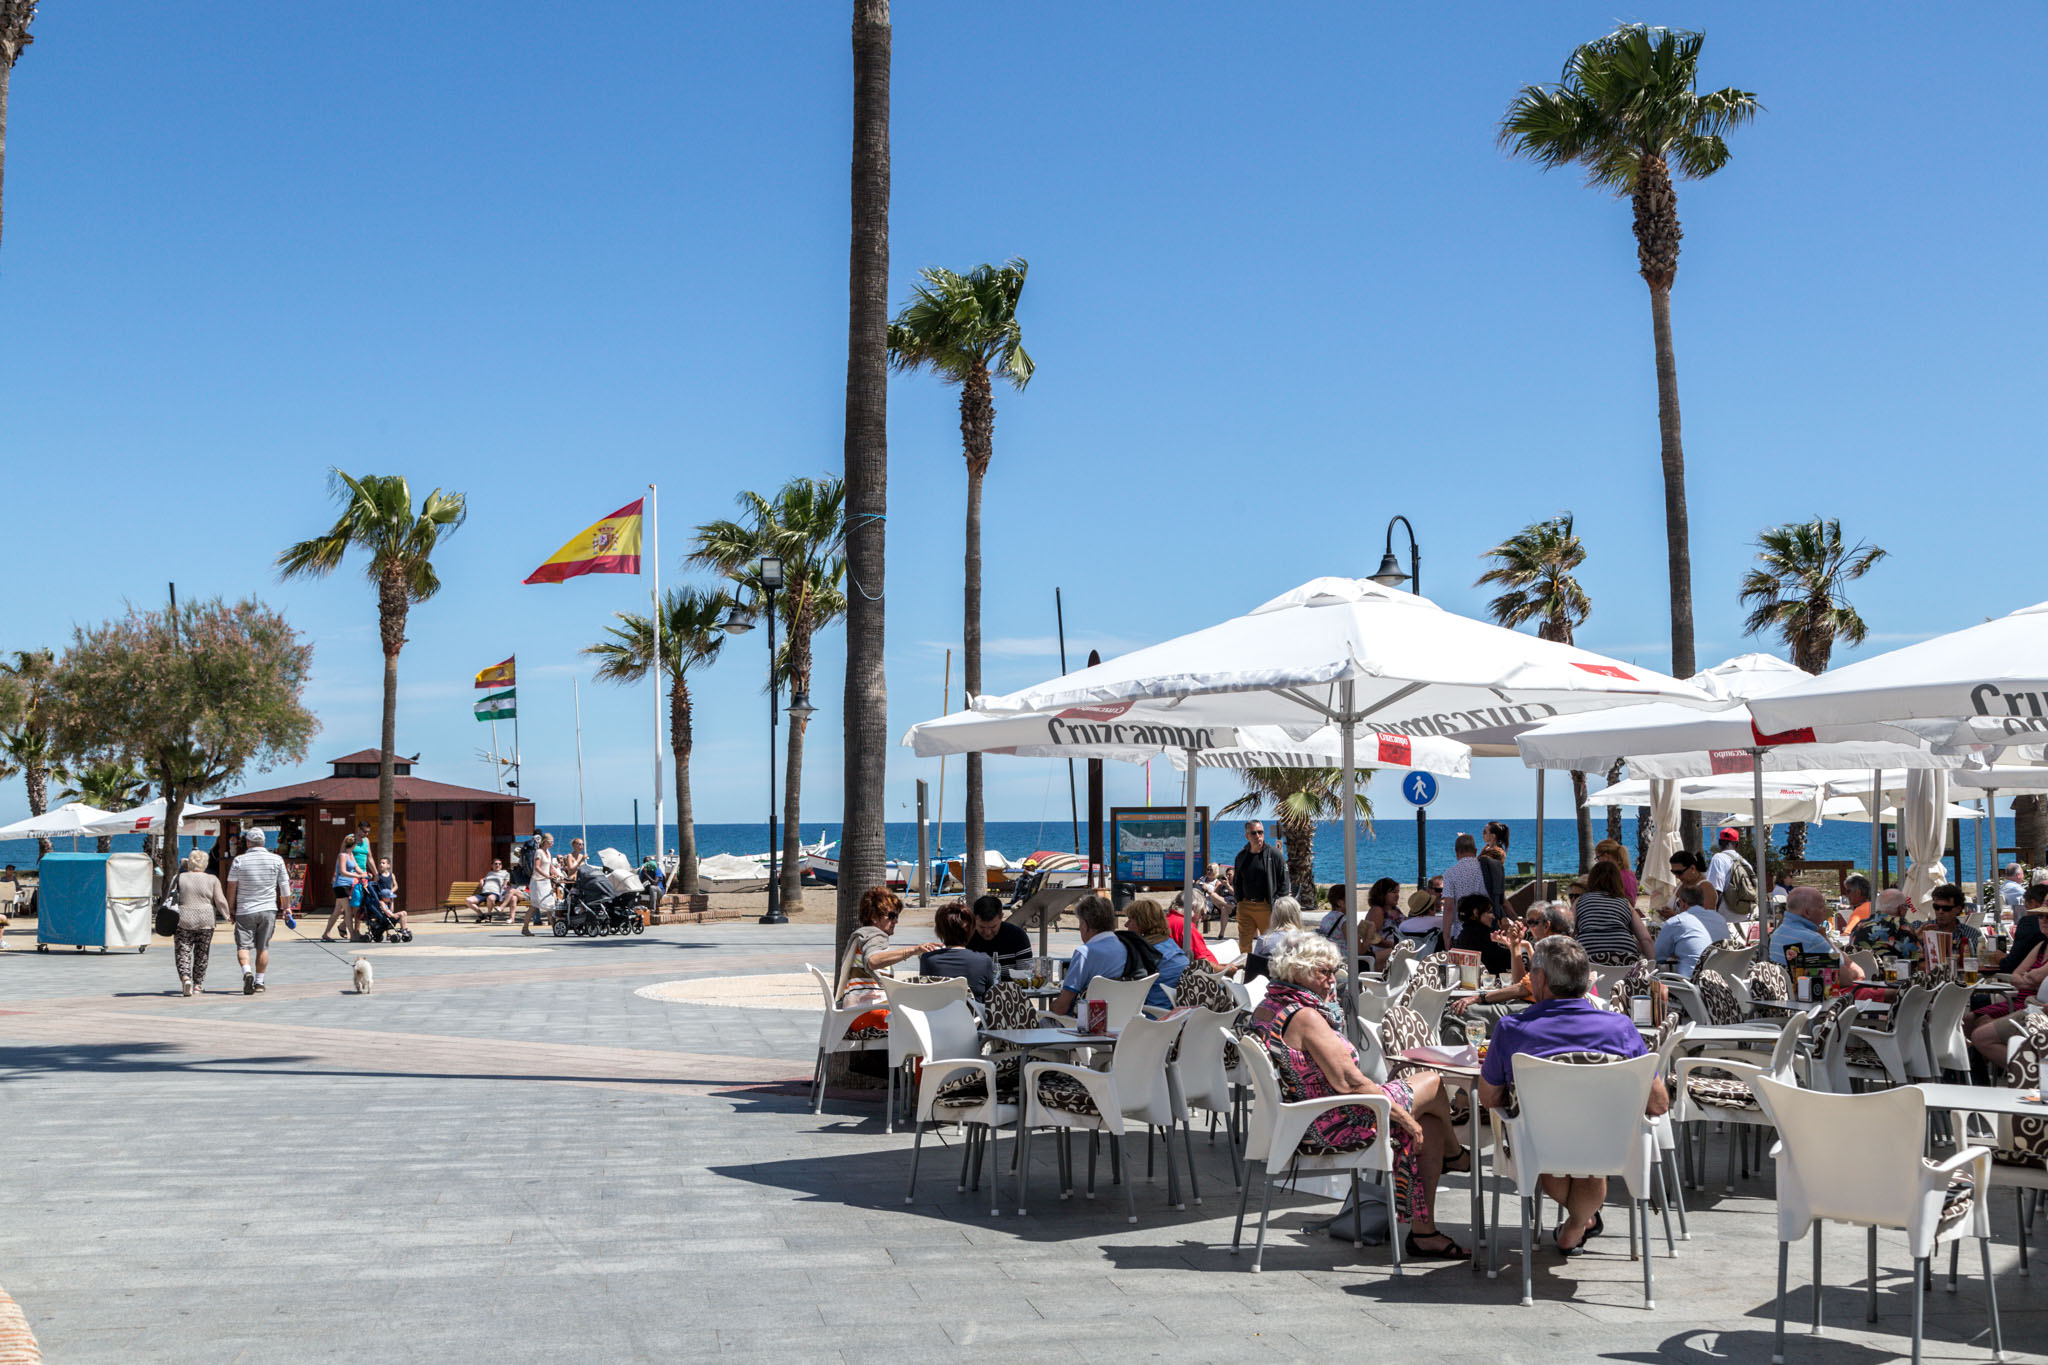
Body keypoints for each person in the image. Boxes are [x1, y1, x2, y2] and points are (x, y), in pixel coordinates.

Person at [1251, 929, 1470, 1259]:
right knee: (1434, 1083)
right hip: (1334, 1121)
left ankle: (1425, 1234)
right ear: (1296, 970)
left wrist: (1410, 1118)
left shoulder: (1270, 1005)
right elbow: (1350, 1084)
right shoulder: (1306, 1016)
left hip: (1305, 1117)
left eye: (1332, 971)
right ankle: (1458, 1156)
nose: (1330, 980)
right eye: (1323, 972)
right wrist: (1405, 1119)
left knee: (1433, 1125)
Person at [1477, 935, 1668, 1255]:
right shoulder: (1620, 1029)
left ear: (1538, 979)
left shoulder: (1512, 1029)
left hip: (1541, 1146)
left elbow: (1489, 1098)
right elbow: (1659, 1103)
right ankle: (1578, 1225)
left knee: (1551, 1143)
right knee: (1588, 1157)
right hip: (1609, 1146)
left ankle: (1579, 1223)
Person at [1452, 901, 1572, 1024]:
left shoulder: (1555, 949)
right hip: (1536, 1007)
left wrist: (1479, 997)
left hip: (1538, 1011)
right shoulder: (1567, 948)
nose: (1530, 928)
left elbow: (1522, 987)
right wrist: (1515, 945)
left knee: (1457, 1015)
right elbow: (1523, 983)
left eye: (1534, 923)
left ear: (1547, 925)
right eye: (1528, 922)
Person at [837, 886, 940, 1007]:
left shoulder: (864, 935)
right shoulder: (875, 935)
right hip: (869, 1010)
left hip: (856, 1008)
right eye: (891, 916)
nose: (896, 921)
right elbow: (873, 961)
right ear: (874, 917)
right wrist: (913, 950)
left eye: (896, 916)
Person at [225, 828, 293, 996]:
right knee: (263, 947)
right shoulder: (276, 859)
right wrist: (287, 908)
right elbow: (285, 886)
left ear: (248, 843)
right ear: (264, 842)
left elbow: (231, 886)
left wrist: (230, 908)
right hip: (268, 909)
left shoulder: (239, 861)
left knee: (243, 946)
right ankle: (260, 981)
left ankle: (246, 971)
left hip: (245, 909)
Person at [1050, 895, 1128, 1018]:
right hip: (1122, 1023)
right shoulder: (1126, 947)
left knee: (1044, 1020)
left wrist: (1051, 1007)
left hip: (1089, 1025)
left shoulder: (1085, 953)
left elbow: (1062, 1007)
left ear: (1085, 925)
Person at [1770, 886, 1865, 980]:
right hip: (1814, 993)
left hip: (1788, 992)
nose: (1824, 911)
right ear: (1807, 912)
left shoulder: (1776, 934)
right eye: (1821, 907)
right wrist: (1825, 938)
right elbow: (1848, 978)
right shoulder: (1813, 939)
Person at [170, 850, 228, 996]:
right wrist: (227, 915)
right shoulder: (212, 879)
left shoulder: (179, 877)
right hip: (206, 919)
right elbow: (220, 900)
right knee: (202, 953)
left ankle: (185, 978)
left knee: (183, 950)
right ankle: (198, 985)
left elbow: (170, 897)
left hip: (184, 917)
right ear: (205, 863)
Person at [1571, 858, 1651, 963]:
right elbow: (1645, 939)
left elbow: (1569, 930)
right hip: (1625, 954)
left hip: (1588, 953)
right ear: (1618, 881)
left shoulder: (1580, 901)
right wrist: (1651, 966)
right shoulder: (1625, 903)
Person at [918, 901, 996, 1001]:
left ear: (939, 931)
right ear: (971, 930)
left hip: (940, 1015)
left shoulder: (928, 959)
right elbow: (989, 998)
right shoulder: (984, 960)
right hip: (972, 1015)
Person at [1232, 821, 1289, 955]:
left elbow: (1285, 882)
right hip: (1245, 906)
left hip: (1266, 906)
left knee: (1269, 943)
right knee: (1244, 944)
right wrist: (1239, 900)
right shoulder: (1241, 856)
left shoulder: (1274, 854)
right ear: (1247, 836)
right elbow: (1237, 880)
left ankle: (1269, 971)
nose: (1258, 836)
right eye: (1254, 833)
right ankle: (1245, 970)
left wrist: (1277, 904)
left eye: (1260, 832)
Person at [1652, 884, 1731, 978]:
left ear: (1683, 903)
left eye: (1678, 904)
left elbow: (1656, 956)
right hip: (1725, 980)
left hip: (1692, 985)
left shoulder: (1677, 922)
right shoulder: (1720, 919)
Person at [1125, 898, 1188, 1009]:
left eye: (1130, 920)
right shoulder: (1170, 944)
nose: (1126, 924)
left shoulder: (1144, 953)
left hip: (1151, 1017)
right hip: (1177, 1015)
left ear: (1142, 923)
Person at [1850, 888, 1922, 965]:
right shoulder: (1901, 924)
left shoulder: (1860, 925)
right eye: (1906, 906)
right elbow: (1918, 958)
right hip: (1890, 974)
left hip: (1862, 974)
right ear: (1901, 908)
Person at [962, 893, 1034, 969]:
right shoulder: (966, 937)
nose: (987, 932)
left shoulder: (1017, 936)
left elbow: (1025, 972)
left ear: (1001, 917)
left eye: (993, 927)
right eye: (982, 927)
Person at [1243, 894, 1304, 982]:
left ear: (1274, 915)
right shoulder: (1305, 940)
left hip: (1268, 987)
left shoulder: (1264, 940)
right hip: (1296, 987)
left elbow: (1254, 970)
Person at [1438, 833, 1487, 941]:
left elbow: (1449, 907)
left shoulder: (1450, 873)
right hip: (1485, 930)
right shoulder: (1485, 870)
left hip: (1461, 932)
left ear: (1456, 852)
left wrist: (1446, 937)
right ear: (1475, 850)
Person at [1450, 892, 1512, 975]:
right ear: (1476, 912)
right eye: (1489, 912)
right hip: (1489, 983)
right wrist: (1508, 939)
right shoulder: (1481, 935)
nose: (1493, 916)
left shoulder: (1464, 934)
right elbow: (1507, 961)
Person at [323, 833, 365, 943]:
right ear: (353, 845)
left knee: (337, 911)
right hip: (340, 885)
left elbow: (357, 867)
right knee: (348, 911)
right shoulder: (342, 856)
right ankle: (352, 935)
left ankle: (326, 933)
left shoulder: (351, 855)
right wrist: (357, 876)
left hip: (348, 885)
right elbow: (342, 871)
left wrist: (365, 874)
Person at [1999, 881, 2048, 973]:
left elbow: (2011, 964)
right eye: (2041, 916)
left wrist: (2001, 959)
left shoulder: (2028, 923)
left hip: (2028, 979)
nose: (2027, 912)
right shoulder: (2041, 946)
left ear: (2033, 903)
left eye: (2026, 907)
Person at [1922, 885, 1979, 963]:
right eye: (1936, 907)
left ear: (1958, 909)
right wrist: (1915, 938)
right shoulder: (1921, 929)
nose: (1940, 911)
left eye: (1946, 908)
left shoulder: (1971, 935)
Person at [1163, 891, 1220, 966]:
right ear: (1193, 907)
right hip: (1199, 974)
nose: (1201, 917)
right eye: (1201, 912)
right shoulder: (1186, 927)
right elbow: (1203, 964)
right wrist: (1226, 969)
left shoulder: (1168, 919)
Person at [519, 833, 558, 936]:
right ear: (545, 841)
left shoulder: (548, 852)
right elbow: (537, 867)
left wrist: (556, 874)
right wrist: (547, 876)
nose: (552, 843)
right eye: (551, 841)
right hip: (538, 882)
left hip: (546, 883)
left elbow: (549, 866)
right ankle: (525, 928)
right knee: (534, 906)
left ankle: (555, 928)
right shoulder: (539, 852)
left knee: (550, 905)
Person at [1593, 839, 1639, 905]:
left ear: (1606, 856)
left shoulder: (1612, 876)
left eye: (1598, 858)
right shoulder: (1630, 873)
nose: (1598, 861)